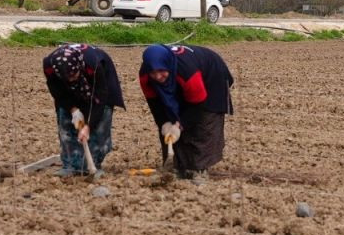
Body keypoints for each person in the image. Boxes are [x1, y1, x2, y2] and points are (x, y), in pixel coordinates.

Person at [139, 43, 234, 179]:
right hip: (183, 82)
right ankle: (175, 166)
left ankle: (199, 169)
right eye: (153, 73)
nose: (158, 77)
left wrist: (180, 125)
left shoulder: (187, 72)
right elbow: (155, 103)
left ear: (168, 65)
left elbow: (198, 105)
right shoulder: (145, 76)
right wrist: (164, 123)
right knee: (170, 122)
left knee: (204, 123)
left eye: (161, 71)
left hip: (212, 77)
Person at [42, 43, 125, 177]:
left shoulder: (94, 64)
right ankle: (70, 165)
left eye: (73, 75)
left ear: (79, 67)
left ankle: (94, 165)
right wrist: (73, 110)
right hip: (68, 91)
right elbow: (58, 92)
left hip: (100, 86)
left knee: (100, 123)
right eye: (67, 78)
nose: (71, 80)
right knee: (65, 122)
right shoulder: (50, 67)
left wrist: (88, 126)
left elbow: (100, 98)